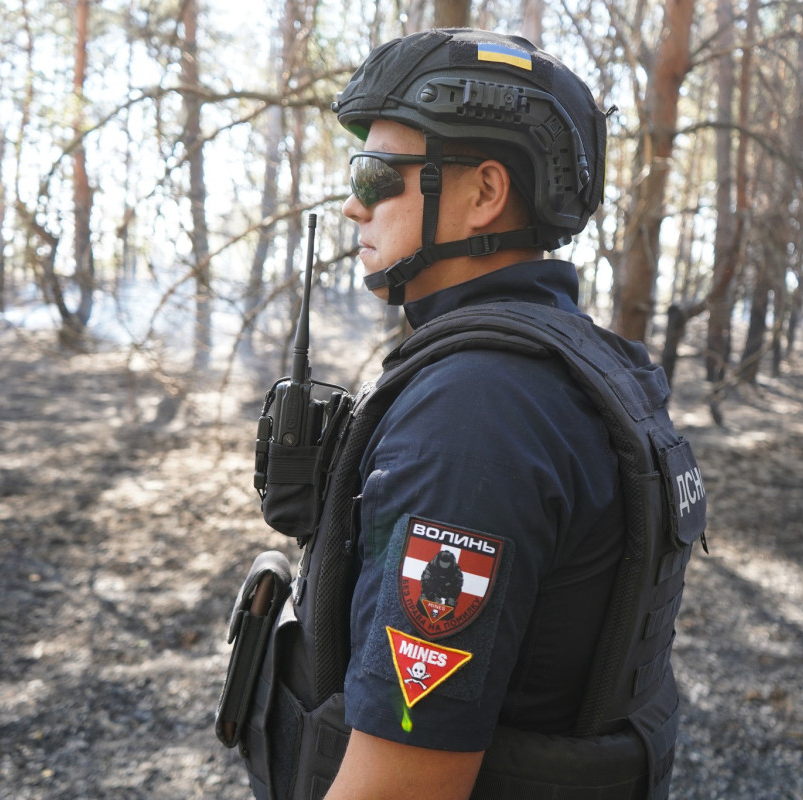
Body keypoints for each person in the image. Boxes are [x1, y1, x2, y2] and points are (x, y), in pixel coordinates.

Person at [226, 27, 704, 800]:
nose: (354, 205)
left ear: (484, 194)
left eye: (379, 175)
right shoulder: (580, 361)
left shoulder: (478, 413)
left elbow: (403, 784)